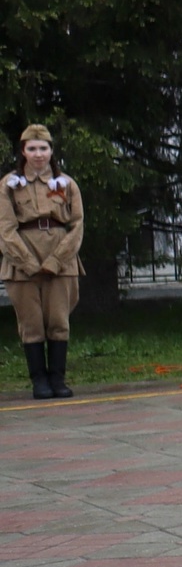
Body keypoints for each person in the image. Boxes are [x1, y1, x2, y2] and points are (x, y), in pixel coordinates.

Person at [1, 125, 82, 399]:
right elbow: (5, 228)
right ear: (23, 151)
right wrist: (28, 262)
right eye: (32, 148)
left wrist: (56, 260)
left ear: (51, 151)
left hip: (60, 261)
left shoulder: (66, 184)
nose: (38, 154)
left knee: (59, 320)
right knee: (31, 323)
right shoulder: (9, 186)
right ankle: (39, 381)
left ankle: (58, 379)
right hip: (23, 263)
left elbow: (77, 224)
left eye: (43, 148)